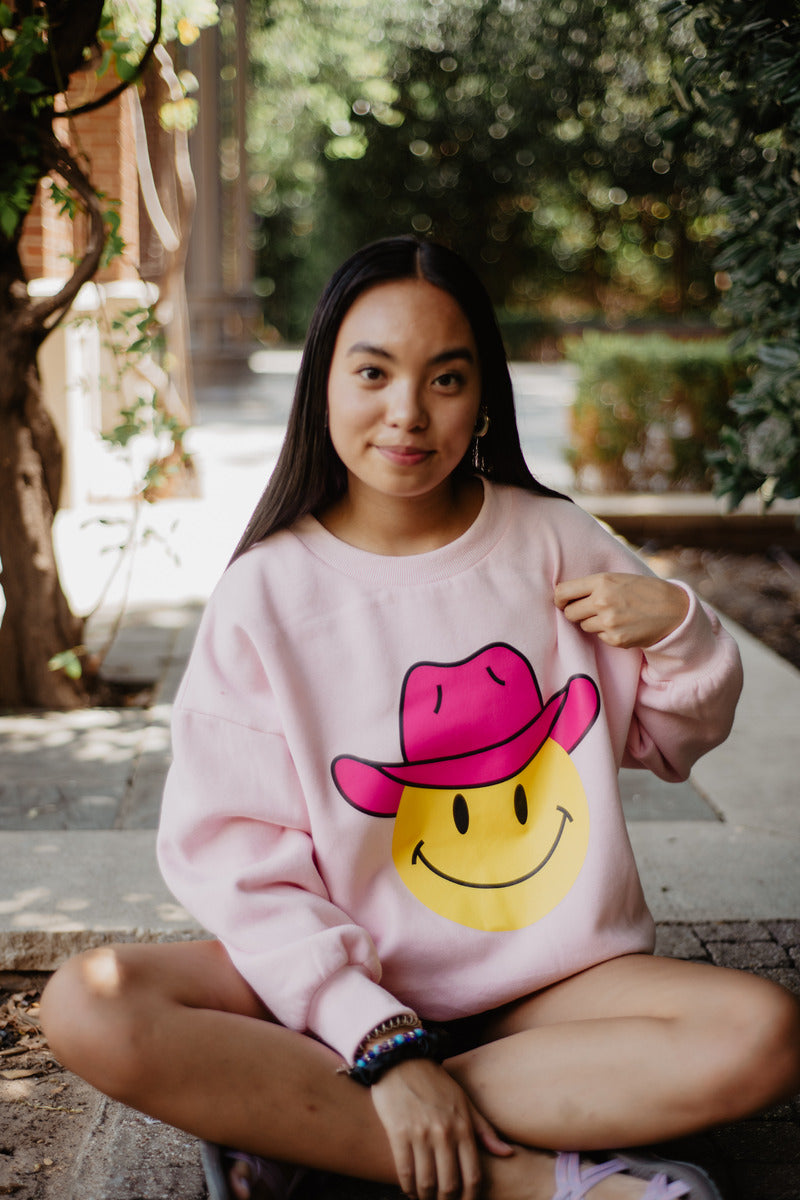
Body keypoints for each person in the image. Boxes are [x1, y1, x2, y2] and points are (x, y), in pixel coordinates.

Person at [41, 237, 800, 1200]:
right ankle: (539, 1182)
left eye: (446, 378)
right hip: (342, 989)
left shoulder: (554, 540)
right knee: (90, 1006)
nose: (407, 413)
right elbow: (238, 863)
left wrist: (682, 629)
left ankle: (309, 1122)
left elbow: (673, 737)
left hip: (552, 992)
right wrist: (376, 1039)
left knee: (763, 1034)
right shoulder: (265, 594)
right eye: (373, 372)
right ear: (323, 382)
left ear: (483, 395)